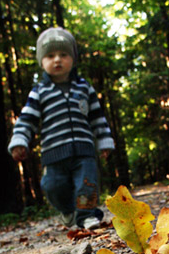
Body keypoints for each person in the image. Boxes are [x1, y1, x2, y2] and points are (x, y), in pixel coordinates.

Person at [8, 27, 114, 229]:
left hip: (84, 150)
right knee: (52, 186)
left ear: (73, 59)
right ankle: (68, 211)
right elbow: (27, 119)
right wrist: (20, 140)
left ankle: (86, 216)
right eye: (50, 55)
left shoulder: (84, 87)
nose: (57, 60)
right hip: (53, 153)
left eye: (63, 55)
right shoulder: (39, 91)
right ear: (42, 61)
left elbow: (97, 117)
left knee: (87, 185)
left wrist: (105, 141)